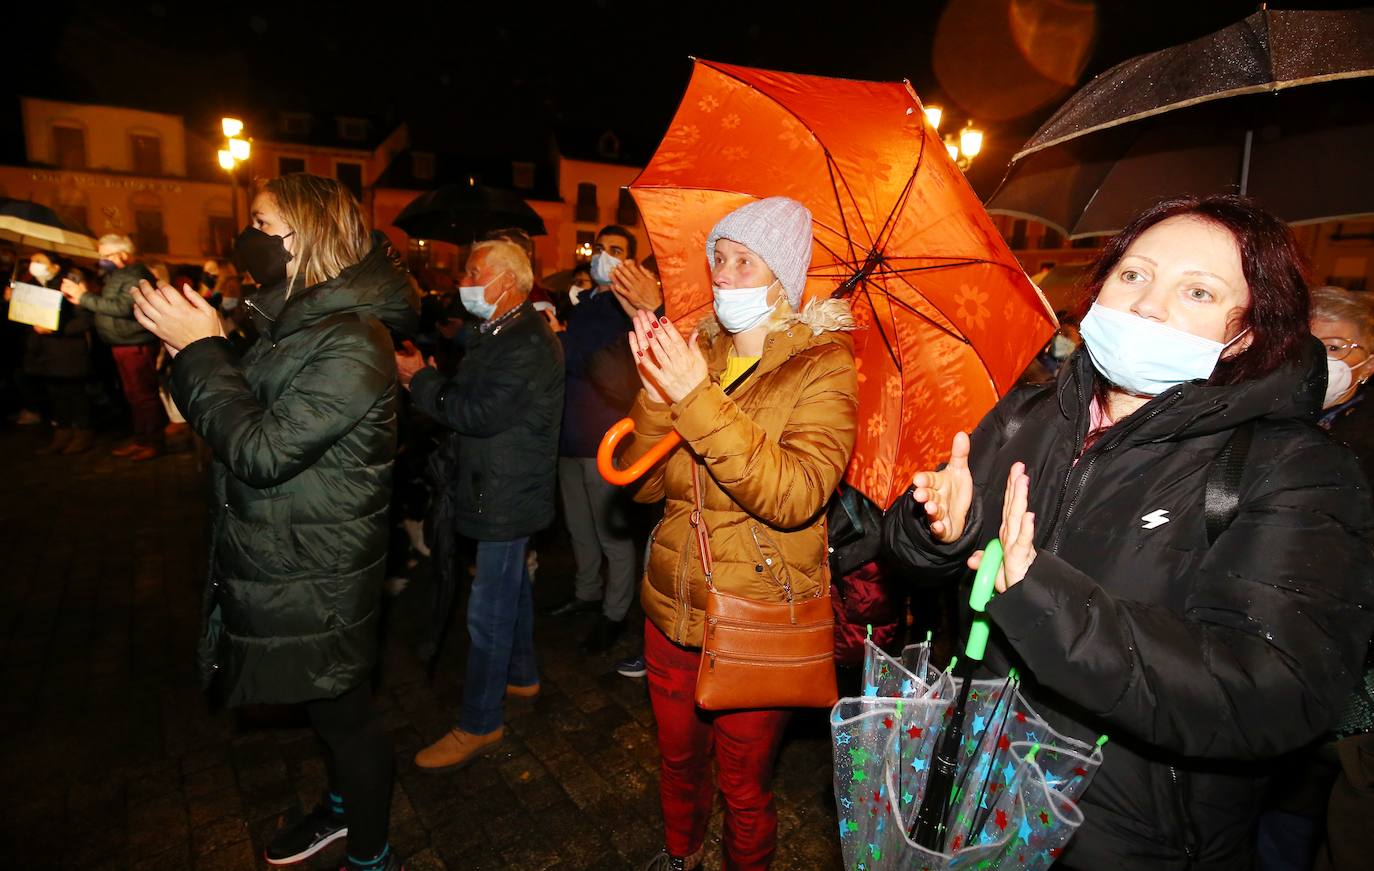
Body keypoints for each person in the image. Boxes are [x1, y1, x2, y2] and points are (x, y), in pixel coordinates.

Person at [882, 195, 1374, 871]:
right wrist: (937, 527)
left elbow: (1274, 688)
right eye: (1134, 274)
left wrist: (1039, 596)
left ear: (1250, 332)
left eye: (1197, 291)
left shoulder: (1293, 471)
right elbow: (915, 561)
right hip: (970, 792)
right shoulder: (1029, 414)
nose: (1146, 306)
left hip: (1121, 839)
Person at [131, 173, 418, 871]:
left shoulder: (353, 339)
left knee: (346, 720)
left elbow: (262, 450)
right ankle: (343, 810)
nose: (248, 237)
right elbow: (253, 404)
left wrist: (202, 352)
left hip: (324, 568)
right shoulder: (293, 318)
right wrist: (194, 349)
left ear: (310, 238)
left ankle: (372, 854)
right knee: (327, 715)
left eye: (263, 224)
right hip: (288, 551)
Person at [623, 196, 858, 871]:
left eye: (742, 260)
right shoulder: (701, 352)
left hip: (755, 618)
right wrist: (654, 393)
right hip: (671, 607)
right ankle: (681, 853)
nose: (722, 273)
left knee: (744, 788)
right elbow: (642, 484)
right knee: (675, 761)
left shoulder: (824, 366)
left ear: (780, 279)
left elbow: (794, 494)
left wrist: (694, 398)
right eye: (718, 257)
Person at [399, 239, 564, 771]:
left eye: (473, 271)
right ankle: (521, 674)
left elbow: (478, 412)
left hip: (505, 490)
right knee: (508, 585)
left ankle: (479, 721)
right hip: (501, 484)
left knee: (487, 607)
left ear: (506, 281)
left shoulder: (525, 341)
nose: (462, 279)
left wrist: (420, 381)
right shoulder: (500, 332)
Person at [546, 225, 645, 655]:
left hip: (605, 440)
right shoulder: (585, 304)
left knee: (612, 537)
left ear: (630, 262)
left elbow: (599, 363)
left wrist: (558, 341)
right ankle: (586, 593)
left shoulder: (625, 311)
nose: (603, 256)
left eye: (616, 250)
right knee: (579, 529)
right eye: (600, 248)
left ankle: (615, 612)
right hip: (570, 437)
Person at [60, 234, 164, 460]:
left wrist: (84, 296)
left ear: (123, 254)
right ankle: (141, 439)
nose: (102, 260)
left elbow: (123, 307)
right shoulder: (117, 275)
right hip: (122, 343)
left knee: (143, 395)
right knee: (133, 396)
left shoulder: (135, 274)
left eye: (106, 255)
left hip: (135, 343)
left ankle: (153, 442)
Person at [19, 252, 94, 454]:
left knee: (75, 395)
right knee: (55, 396)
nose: (34, 265)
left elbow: (84, 320)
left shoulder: (69, 284)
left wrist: (56, 329)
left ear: (55, 266)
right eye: (32, 261)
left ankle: (83, 434)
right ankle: (62, 434)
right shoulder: (31, 286)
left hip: (68, 352)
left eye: (40, 262)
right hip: (44, 353)